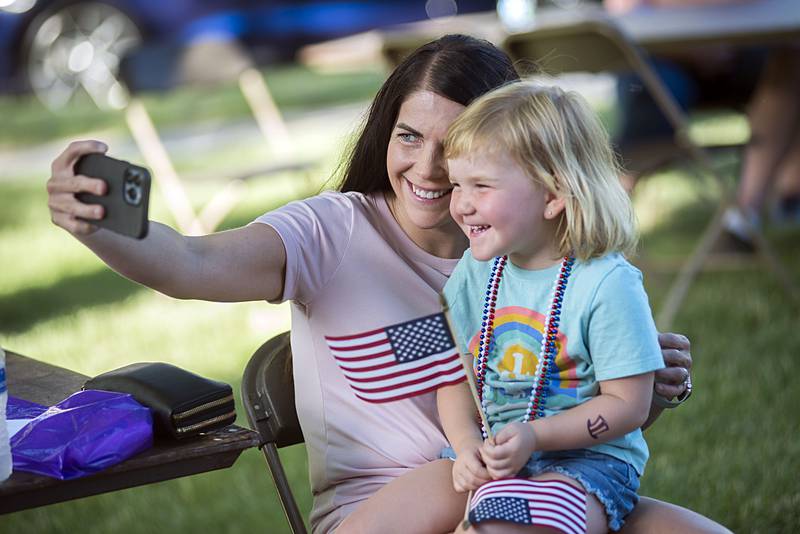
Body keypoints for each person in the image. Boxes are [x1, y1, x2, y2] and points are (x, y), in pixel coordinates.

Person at [47, 34, 717, 533]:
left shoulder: (526, 260)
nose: (426, 169)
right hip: (386, 509)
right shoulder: (333, 234)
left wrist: (641, 388)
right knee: (479, 490)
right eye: (407, 137)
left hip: (533, 486)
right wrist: (98, 226)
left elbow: (558, 413)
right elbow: (189, 264)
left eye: (453, 149)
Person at [435, 81, 664, 533]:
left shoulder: (606, 284)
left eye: (481, 185)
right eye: (457, 184)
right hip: (495, 455)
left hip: (589, 466)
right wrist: (465, 448)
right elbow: (454, 380)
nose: (461, 204)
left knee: (498, 526)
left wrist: (534, 436)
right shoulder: (475, 273)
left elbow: (628, 406)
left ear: (552, 195)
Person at [606, 0, 800, 252]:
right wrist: (691, 48)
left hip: (748, 48)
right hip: (665, 57)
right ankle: (605, 213)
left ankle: (745, 217)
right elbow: (623, 10)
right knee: (645, 89)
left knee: (792, 59)